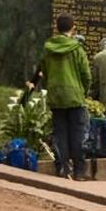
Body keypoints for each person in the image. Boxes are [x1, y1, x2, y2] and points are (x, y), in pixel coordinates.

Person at [38, 13, 90, 180]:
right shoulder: (77, 49)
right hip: (75, 96)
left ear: (56, 27)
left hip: (56, 96)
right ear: (73, 27)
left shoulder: (48, 48)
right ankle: (79, 172)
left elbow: (44, 71)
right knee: (77, 134)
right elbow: (86, 74)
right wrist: (83, 91)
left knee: (60, 135)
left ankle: (63, 169)